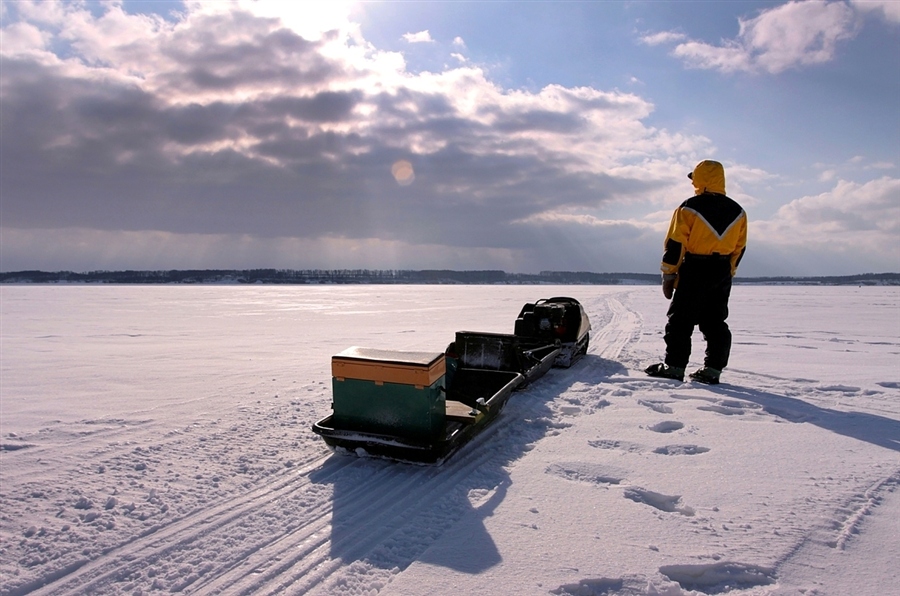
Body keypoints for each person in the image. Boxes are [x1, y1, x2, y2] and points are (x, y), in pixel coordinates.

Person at [645, 160, 747, 384]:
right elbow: (740, 247)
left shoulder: (689, 207)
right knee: (715, 322)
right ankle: (713, 370)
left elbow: (675, 243)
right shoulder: (738, 211)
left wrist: (669, 274)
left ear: (700, 179)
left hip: (694, 269)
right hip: (721, 271)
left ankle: (674, 367)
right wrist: (728, 272)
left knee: (680, 321)